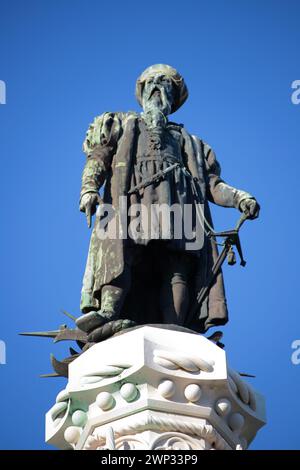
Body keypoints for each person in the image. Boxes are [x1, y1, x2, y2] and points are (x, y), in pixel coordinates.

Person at [77, 64, 259, 342]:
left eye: (165, 84)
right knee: (120, 255)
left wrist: (240, 197)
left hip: (180, 211)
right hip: (129, 207)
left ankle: (177, 329)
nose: (157, 87)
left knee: (178, 267)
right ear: (142, 91)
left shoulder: (192, 143)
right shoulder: (120, 124)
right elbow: (98, 158)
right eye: (151, 82)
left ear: (173, 98)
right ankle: (109, 312)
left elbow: (213, 185)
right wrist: (89, 189)